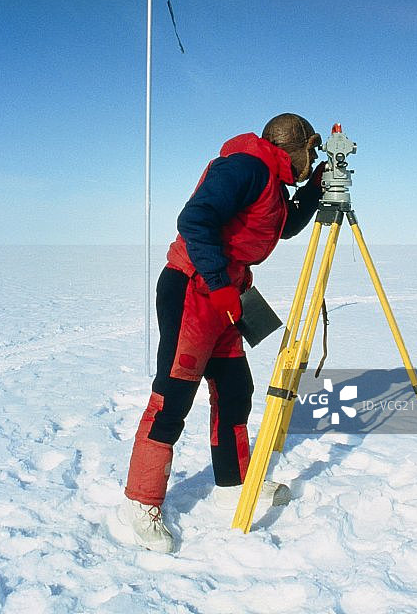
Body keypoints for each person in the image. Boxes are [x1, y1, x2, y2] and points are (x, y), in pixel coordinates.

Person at [118, 113, 324, 552]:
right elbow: (195, 219)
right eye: (312, 151)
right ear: (297, 145)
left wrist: (314, 190)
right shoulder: (247, 166)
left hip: (225, 292)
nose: (313, 159)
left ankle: (234, 482)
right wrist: (217, 283)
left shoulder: (269, 178)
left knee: (234, 389)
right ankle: (140, 501)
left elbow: (282, 226)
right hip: (195, 288)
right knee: (173, 395)